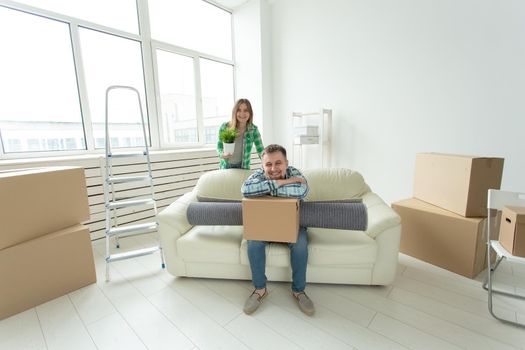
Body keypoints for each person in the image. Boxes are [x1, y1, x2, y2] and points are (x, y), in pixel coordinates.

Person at [240, 144, 314, 316]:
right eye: (268, 165)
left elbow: (302, 190)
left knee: (301, 245)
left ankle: (298, 291)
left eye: (278, 163)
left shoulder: (295, 173)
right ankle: (260, 290)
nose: (273, 168)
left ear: (286, 163)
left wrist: (267, 189)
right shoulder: (258, 174)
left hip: (292, 224)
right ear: (262, 165)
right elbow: (245, 189)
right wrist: (283, 182)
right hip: (264, 224)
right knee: (253, 243)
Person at [217, 98, 264, 169]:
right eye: (239, 110)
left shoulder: (253, 130)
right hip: (226, 167)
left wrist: (268, 163)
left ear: (250, 113)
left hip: (243, 168)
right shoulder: (225, 127)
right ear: (235, 112)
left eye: (246, 110)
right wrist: (222, 154)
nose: (242, 113)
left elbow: (261, 151)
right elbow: (219, 146)